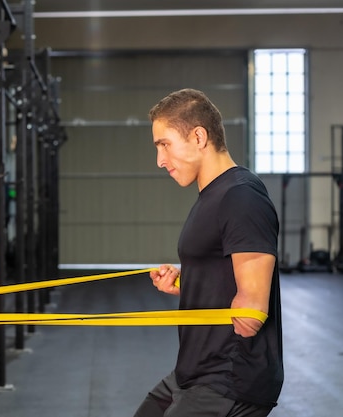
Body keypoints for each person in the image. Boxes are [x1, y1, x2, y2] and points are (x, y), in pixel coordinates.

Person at [133, 88, 283, 417]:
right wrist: (188, 285)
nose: (160, 160)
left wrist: (244, 305)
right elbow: (225, 279)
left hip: (229, 376)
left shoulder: (241, 197)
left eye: (164, 145)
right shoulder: (214, 196)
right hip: (193, 370)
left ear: (199, 136)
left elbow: (250, 314)